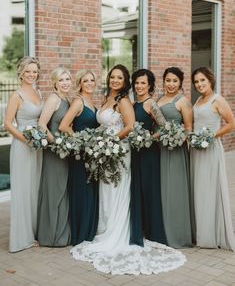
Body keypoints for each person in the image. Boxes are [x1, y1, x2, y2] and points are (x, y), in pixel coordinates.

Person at [70, 64, 186, 275]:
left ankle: (117, 231)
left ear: (125, 83)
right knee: (106, 191)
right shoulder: (108, 99)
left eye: (119, 78)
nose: (115, 80)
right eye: (112, 77)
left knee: (117, 189)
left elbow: (130, 126)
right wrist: (100, 142)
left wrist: (110, 141)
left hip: (118, 149)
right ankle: (103, 228)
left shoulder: (124, 100)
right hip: (105, 149)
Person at [190, 67, 235, 251]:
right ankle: (199, 230)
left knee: (209, 188)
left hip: (211, 149)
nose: (199, 84)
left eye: (202, 80)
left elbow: (232, 123)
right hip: (196, 150)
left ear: (210, 80)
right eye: (196, 82)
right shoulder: (199, 100)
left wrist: (212, 136)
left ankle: (210, 234)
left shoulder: (218, 100)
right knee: (198, 189)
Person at [4, 56, 43, 252]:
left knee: (35, 188)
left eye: (34, 71)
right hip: (22, 146)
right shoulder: (16, 95)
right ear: (20, 72)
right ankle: (21, 238)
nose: (31, 74)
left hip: (38, 147)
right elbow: (8, 124)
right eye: (28, 71)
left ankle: (34, 232)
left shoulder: (39, 92)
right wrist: (26, 139)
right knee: (23, 190)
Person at [59, 70, 99, 246]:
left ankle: (89, 230)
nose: (89, 83)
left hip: (92, 154)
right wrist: (80, 141)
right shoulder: (78, 101)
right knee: (81, 192)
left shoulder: (92, 101)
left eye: (92, 80)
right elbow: (64, 126)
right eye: (86, 81)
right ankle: (80, 233)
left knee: (90, 190)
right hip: (80, 155)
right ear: (80, 83)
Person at [130, 69, 167, 246]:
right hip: (134, 152)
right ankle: (141, 228)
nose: (139, 86)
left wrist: (148, 138)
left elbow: (164, 127)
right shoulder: (133, 103)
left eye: (143, 83)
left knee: (149, 189)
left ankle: (153, 231)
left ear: (150, 85)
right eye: (137, 82)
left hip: (148, 152)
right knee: (137, 188)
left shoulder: (151, 103)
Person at [157, 67, 193, 248]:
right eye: (168, 80)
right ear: (163, 81)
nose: (171, 84)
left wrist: (177, 140)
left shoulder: (183, 101)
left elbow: (188, 128)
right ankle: (162, 230)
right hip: (159, 150)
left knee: (175, 190)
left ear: (180, 83)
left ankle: (178, 234)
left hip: (175, 150)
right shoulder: (159, 100)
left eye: (175, 81)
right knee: (162, 190)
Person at [37, 67, 72, 246]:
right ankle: (49, 235)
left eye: (67, 79)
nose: (65, 83)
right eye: (61, 80)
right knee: (54, 190)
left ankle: (62, 233)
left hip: (65, 152)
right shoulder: (54, 98)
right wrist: (56, 143)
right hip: (54, 151)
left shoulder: (68, 99)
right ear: (55, 83)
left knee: (63, 190)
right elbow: (42, 124)